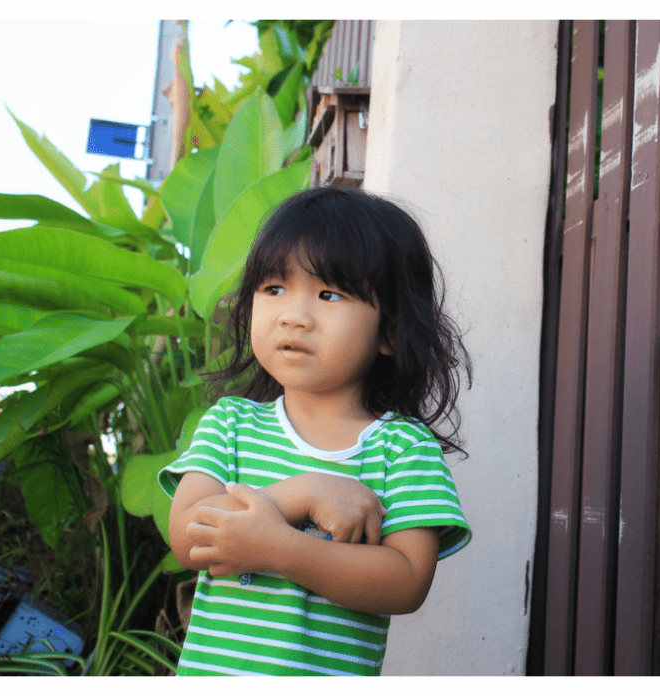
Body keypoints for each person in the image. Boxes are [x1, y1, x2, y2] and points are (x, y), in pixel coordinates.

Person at [159, 186, 472, 676]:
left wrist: (282, 550)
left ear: (389, 330)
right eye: (274, 289)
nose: (294, 316)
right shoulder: (230, 424)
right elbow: (190, 536)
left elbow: (407, 581)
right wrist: (303, 494)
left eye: (329, 294)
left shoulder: (402, 449)